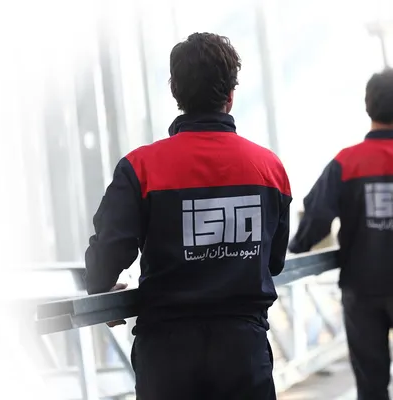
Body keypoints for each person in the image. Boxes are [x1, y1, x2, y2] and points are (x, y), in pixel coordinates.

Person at [84, 33, 292, 400]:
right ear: (231, 95)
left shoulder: (140, 168)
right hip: (243, 352)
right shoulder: (269, 169)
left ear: (175, 92)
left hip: (166, 353)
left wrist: (99, 290)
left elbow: (109, 249)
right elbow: (273, 262)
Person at [288, 68, 393, 400]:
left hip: (361, 291)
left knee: (371, 388)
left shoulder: (345, 163)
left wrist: (296, 246)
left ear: (368, 107)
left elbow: (317, 216)